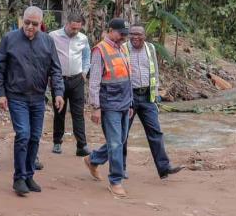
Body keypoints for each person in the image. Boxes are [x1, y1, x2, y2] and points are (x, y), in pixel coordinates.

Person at [0, 6, 65, 197]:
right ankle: (19, 178)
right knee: (23, 134)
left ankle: (28, 175)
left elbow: (55, 70)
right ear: (22, 21)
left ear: (40, 23)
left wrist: (58, 93)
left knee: (35, 136)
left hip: (38, 97)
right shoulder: (10, 39)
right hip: (17, 96)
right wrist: (0, 93)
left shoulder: (47, 41)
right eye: (27, 23)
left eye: (34, 24)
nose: (30, 27)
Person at [123, 24, 183, 179]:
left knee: (155, 132)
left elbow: (154, 71)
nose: (135, 37)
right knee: (123, 134)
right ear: (129, 35)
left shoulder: (150, 48)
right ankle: (121, 168)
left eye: (139, 34)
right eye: (132, 34)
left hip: (147, 97)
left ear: (145, 35)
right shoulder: (123, 48)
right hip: (129, 97)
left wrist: (155, 94)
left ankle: (164, 168)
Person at [84, 18, 132, 197]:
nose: (123, 38)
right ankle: (116, 180)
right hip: (109, 103)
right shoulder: (99, 50)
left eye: (125, 35)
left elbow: (127, 77)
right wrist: (95, 107)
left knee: (120, 140)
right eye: (121, 34)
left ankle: (93, 159)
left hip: (125, 102)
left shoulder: (123, 48)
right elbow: (94, 81)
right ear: (111, 30)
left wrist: (131, 102)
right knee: (115, 143)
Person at [49, 14, 91, 156]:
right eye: (73, 28)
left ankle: (81, 145)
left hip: (77, 80)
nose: (75, 31)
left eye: (78, 29)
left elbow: (86, 57)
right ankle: (57, 142)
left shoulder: (83, 38)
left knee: (78, 113)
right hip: (58, 79)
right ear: (67, 23)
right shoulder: (53, 36)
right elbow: (47, 56)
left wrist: (84, 72)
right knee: (59, 111)